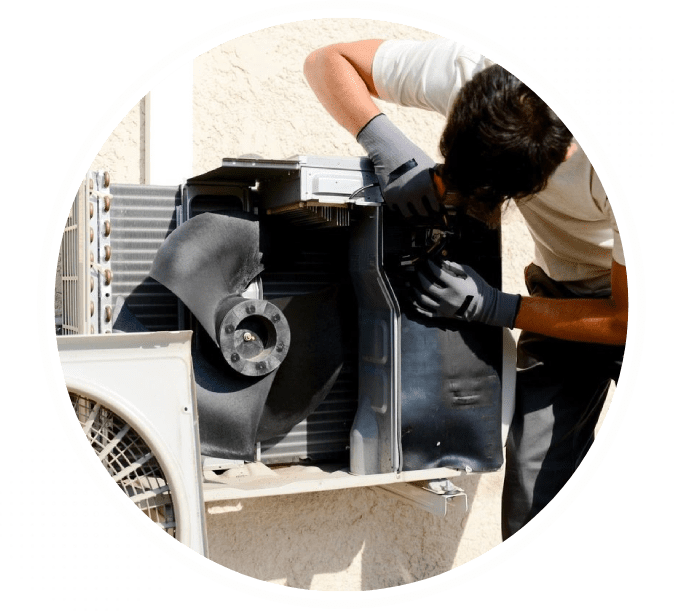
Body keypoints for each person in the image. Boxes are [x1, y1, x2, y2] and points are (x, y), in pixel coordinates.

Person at [304, 38, 627, 538]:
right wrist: (386, 143)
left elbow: (627, 320)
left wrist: (499, 308)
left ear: (552, 164)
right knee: (535, 489)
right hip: (563, 294)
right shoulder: (475, 76)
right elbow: (329, 61)